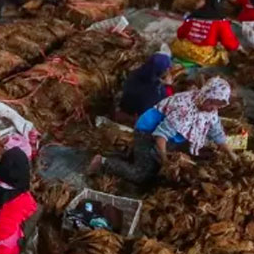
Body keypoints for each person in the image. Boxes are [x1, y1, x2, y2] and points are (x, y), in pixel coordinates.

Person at [90, 76, 235, 185]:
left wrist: (232, 155)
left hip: (169, 137)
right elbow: (161, 137)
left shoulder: (209, 110)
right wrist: (166, 162)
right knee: (142, 175)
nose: (213, 108)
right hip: (147, 131)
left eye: (217, 106)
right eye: (212, 103)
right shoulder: (184, 108)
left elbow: (217, 134)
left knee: (163, 165)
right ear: (206, 96)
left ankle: (136, 155)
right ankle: (103, 162)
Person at [171, 0, 240, 67]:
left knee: (175, 42)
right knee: (224, 55)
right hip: (202, 56)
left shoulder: (193, 15)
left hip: (182, 50)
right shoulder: (221, 21)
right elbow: (230, 44)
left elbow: (180, 33)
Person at [117, 44, 174, 124]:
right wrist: (167, 86)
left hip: (131, 107)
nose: (168, 71)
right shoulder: (151, 90)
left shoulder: (137, 74)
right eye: (166, 69)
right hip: (139, 115)